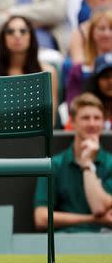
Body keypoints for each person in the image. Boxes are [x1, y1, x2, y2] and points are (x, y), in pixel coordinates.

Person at [34, 92, 112, 232]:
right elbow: (41, 218)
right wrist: (91, 219)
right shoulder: (54, 165)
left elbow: (99, 207)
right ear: (73, 123)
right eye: (85, 118)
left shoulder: (110, 163)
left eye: (97, 118)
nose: (92, 123)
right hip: (65, 241)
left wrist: (87, 165)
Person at [0, 16, 59, 123]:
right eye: (10, 31)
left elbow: (51, 119)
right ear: (3, 38)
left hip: (35, 135)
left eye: (23, 31)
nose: (17, 36)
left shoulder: (48, 72)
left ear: (31, 37)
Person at [66, 9, 112, 107]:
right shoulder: (79, 70)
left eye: (111, 29)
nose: (107, 34)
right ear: (92, 33)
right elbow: (73, 105)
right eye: (101, 29)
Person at [66, 52, 112, 130]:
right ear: (96, 80)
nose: (110, 82)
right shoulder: (83, 106)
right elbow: (69, 136)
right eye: (105, 76)